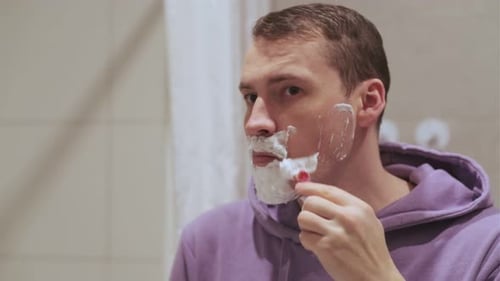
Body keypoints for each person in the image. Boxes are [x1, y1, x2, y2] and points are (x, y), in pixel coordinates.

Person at [170, 4, 500, 281]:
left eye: (290, 90)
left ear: (368, 102)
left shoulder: (485, 248)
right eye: (250, 96)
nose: (255, 122)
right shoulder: (209, 243)